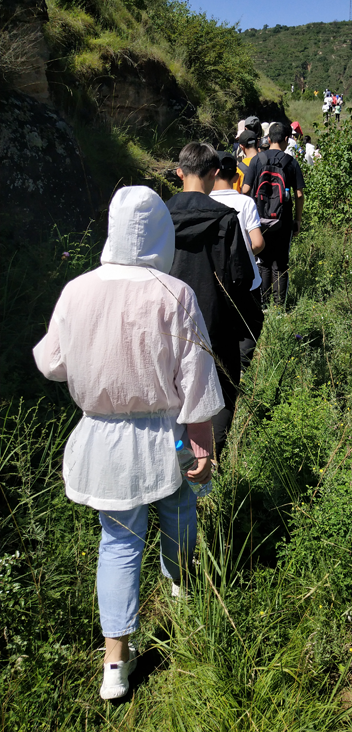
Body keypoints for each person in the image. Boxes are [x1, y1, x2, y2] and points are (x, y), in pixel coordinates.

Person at [33, 186, 224, 701]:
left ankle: (114, 665)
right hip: (166, 432)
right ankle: (181, 586)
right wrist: (203, 442)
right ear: (162, 231)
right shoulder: (173, 293)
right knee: (181, 509)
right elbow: (196, 376)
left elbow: (51, 362)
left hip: (103, 437)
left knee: (117, 543)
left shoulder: (77, 290)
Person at [167, 142, 255, 460]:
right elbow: (241, 279)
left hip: (166, 323)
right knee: (216, 394)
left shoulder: (161, 216)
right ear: (215, 172)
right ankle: (208, 467)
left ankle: (174, 462)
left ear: (179, 172)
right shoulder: (226, 220)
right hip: (213, 325)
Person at [242, 122, 305, 307]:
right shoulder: (291, 162)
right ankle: (279, 307)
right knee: (281, 264)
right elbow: (299, 195)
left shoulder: (256, 160)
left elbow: (245, 190)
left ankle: (263, 304)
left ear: (268, 139)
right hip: (283, 220)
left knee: (263, 261)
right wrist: (298, 220)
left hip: (259, 219)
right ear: (287, 139)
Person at [212, 151, 265, 368]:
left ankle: (220, 368)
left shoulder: (205, 202)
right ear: (236, 177)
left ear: (212, 174)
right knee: (250, 325)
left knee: (221, 327)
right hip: (247, 279)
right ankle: (241, 367)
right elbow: (258, 243)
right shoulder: (245, 203)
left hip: (215, 280)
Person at [233, 129, 259, 193]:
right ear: (258, 143)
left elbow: (236, 193)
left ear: (241, 146)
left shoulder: (239, 170)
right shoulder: (266, 161)